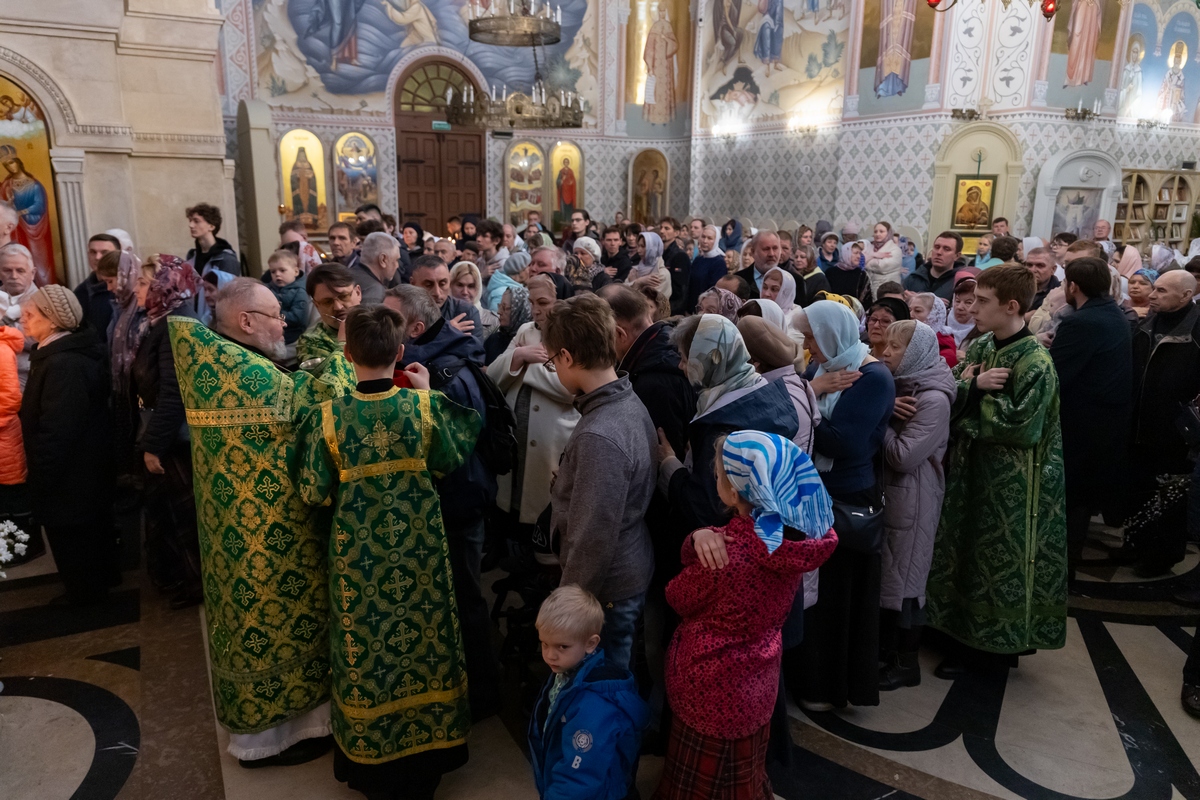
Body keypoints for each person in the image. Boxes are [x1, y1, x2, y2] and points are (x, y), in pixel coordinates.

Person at [169, 280, 355, 768]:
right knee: (272, 624)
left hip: (242, 526)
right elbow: (316, 400)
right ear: (246, 321)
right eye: (275, 314)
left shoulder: (218, 360)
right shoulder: (241, 369)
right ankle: (275, 738)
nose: (284, 322)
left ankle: (289, 727)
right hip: (265, 533)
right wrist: (342, 352)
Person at [296, 304, 479, 799]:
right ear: (400, 352)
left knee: (367, 645)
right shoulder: (424, 409)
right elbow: (453, 454)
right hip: (421, 554)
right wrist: (427, 392)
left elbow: (312, 490)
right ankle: (429, 756)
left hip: (357, 558)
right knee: (426, 641)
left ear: (346, 355)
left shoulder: (328, 418)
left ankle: (373, 763)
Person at [655, 431, 837, 800]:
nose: (715, 480)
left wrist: (694, 541)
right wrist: (702, 534)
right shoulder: (790, 545)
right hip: (757, 686)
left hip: (707, 690)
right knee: (744, 776)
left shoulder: (725, 557)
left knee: (698, 784)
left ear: (734, 493)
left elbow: (676, 596)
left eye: (718, 475)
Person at [926, 264, 1068, 675]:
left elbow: (1021, 425)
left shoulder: (1036, 361)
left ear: (1011, 306)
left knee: (994, 559)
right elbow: (954, 383)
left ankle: (989, 649)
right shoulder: (985, 344)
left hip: (1015, 482)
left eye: (983, 301)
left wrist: (975, 397)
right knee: (964, 549)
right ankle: (954, 629)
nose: (972, 308)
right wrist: (971, 386)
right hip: (972, 469)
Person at [791, 300, 895, 710]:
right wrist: (811, 392)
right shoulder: (823, 367)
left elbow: (842, 443)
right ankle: (808, 680)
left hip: (847, 499)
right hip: (816, 493)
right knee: (814, 598)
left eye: (812, 337)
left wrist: (805, 403)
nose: (808, 346)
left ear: (831, 334)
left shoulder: (873, 378)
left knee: (838, 601)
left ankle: (829, 687)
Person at [545, 295, 658, 670]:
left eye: (552, 362)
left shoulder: (600, 434)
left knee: (603, 687)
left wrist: (568, 607)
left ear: (566, 356)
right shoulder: (624, 398)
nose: (554, 368)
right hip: (624, 570)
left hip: (606, 588)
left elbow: (593, 534)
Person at [20, 284, 117, 606]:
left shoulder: (63, 363)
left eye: (30, 314)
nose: (23, 319)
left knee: (75, 535)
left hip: (72, 470)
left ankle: (85, 595)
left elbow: (59, 428)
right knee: (86, 531)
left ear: (52, 320)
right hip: (78, 466)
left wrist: (42, 472)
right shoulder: (58, 353)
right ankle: (96, 583)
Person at [877, 321, 955, 690]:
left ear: (916, 354)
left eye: (895, 347)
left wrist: (881, 420)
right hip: (899, 497)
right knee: (894, 576)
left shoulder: (933, 399)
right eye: (886, 345)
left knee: (907, 583)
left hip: (914, 499)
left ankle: (906, 664)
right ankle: (887, 654)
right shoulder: (905, 387)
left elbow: (903, 457)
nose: (885, 352)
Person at [129, 256, 205, 609]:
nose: (136, 289)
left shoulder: (176, 325)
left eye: (144, 283)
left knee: (183, 518)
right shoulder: (162, 320)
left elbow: (174, 394)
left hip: (175, 438)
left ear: (164, 287)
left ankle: (194, 584)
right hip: (166, 434)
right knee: (170, 515)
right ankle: (179, 578)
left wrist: (153, 446)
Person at [1048, 257, 1132, 577]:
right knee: (1081, 496)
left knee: (1072, 496)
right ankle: (1068, 561)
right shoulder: (1112, 312)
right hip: (1105, 422)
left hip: (1081, 424)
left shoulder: (1082, 322)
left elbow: (1054, 375)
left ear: (1073, 286)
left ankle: (1062, 568)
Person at [528, 585, 649, 800]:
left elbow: (578, 778)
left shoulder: (592, 706)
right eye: (544, 644)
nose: (550, 655)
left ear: (591, 643)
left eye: (562, 647)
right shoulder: (567, 671)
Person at [487, 274, 580, 541]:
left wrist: (524, 365)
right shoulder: (526, 331)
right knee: (514, 498)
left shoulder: (574, 336)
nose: (535, 309)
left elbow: (570, 389)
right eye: (531, 302)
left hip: (551, 441)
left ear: (560, 301)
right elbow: (493, 376)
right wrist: (520, 355)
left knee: (541, 508)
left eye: (543, 302)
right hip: (516, 437)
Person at [1125, 269, 1200, 575]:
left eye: (1162, 291)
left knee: (1170, 496)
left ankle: (1163, 556)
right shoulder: (1149, 322)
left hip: (1175, 430)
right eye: (1154, 289)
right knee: (1138, 488)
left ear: (1186, 295)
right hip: (1141, 422)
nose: (1153, 295)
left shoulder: (1196, 329)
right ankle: (1135, 545)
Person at [296, 263, 361, 364]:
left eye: (343, 296)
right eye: (327, 302)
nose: (338, 307)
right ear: (316, 305)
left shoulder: (379, 325)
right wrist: (343, 344)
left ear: (358, 293)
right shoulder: (311, 342)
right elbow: (331, 374)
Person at [410, 255, 484, 342]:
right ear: (413, 284)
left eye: (442, 284)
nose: (437, 293)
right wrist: (444, 334)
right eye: (428, 285)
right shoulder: (401, 312)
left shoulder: (467, 313)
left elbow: (473, 350)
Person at [75, 233, 121, 334]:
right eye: (93, 252)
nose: (97, 257)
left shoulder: (126, 290)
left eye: (104, 252)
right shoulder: (81, 291)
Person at [265, 249, 311, 348]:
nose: (277, 274)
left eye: (282, 270)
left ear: (296, 271)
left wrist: (276, 316)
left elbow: (298, 317)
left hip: (292, 334)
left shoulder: (299, 291)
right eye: (273, 272)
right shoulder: (268, 289)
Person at [904, 232, 964, 301]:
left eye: (946, 249)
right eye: (937, 247)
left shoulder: (959, 284)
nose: (939, 252)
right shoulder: (914, 278)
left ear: (957, 256)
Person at [184, 203, 240, 276]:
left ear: (211, 226)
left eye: (196, 221)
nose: (190, 225)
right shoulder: (192, 256)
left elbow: (231, 283)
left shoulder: (226, 259)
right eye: (190, 221)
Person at [450, 260, 500, 337]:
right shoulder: (437, 317)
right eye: (460, 285)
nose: (465, 292)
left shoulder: (493, 322)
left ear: (478, 288)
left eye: (471, 286)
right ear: (450, 286)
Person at [350, 231, 401, 304]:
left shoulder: (346, 275)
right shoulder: (375, 292)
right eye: (396, 260)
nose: (397, 265)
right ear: (383, 260)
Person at [907, 292, 957, 366]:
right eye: (909, 310)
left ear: (934, 315)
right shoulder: (906, 337)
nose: (911, 315)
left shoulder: (945, 350)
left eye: (918, 311)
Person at [486, 284, 531, 364]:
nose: (499, 312)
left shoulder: (529, 343)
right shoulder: (494, 340)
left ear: (519, 311)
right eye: (500, 306)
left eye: (505, 308)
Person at [735, 230, 790, 297]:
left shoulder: (793, 280)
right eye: (766, 249)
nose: (771, 254)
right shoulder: (738, 280)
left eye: (775, 248)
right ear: (753, 252)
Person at [687, 225, 728, 312]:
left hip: (705, 309)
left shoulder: (719, 262)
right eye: (703, 237)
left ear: (716, 240)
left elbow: (714, 290)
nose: (705, 241)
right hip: (692, 307)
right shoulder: (698, 259)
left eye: (710, 238)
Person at [626, 232, 672, 306]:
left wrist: (636, 283)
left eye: (643, 246)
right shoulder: (635, 270)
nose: (638, 250)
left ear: (653, 248)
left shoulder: (662, 274)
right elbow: (622, 293)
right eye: (638, 246)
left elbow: (648, 303)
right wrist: (638, 282)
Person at [659, 218, 692, 315]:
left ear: (676, 233)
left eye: (667, 228)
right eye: (661, 228)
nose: (662, 231)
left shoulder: (680, 256)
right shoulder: (661, 253)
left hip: (673, 308)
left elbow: (680, 289)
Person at [863, 222, 903, 296]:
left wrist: (867, 260)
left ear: (889, 233)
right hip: (870, 289)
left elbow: (881, 266)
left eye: (881, 231)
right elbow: (860, 260)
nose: (878, 234)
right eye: (875, 231)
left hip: (889, 290)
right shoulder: (870, 247)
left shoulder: (895, 249)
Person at [1025, 246, 1061, 315]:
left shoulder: (1059, 294)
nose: (1033, 270)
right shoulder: (1015, 288)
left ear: (1053, 269)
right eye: (1029, 265)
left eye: (1040, 265)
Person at [794, 243, 830, 307]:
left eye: (802, 257)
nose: (798, 260)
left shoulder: (819, 279)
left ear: (810, 258)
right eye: (796, 257)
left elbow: (821, 302)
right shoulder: (792, 275)